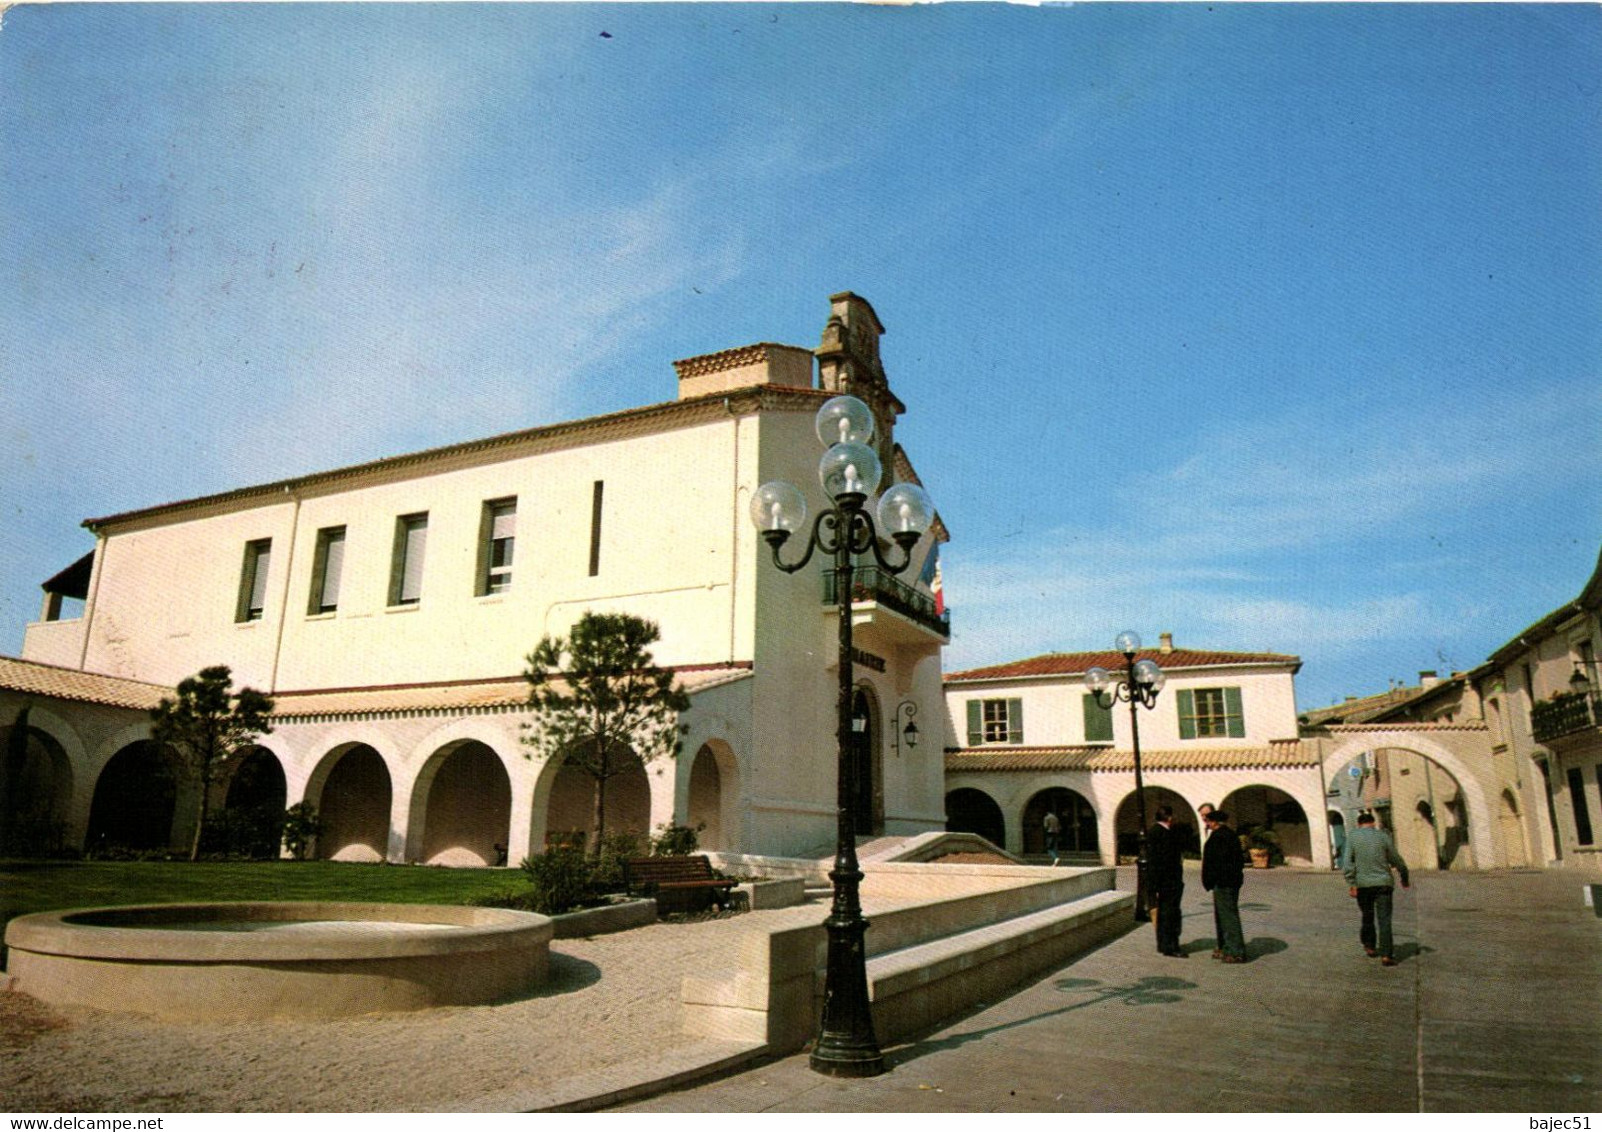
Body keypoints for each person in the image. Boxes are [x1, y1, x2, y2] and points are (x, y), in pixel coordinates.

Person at [1341, 811, 1410, 966]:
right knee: (1384, 919)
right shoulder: (1383, 836)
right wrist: (1404, 877)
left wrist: (1351, 883)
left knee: (1367, 916)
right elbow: (1396, 859)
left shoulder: (1353, 837)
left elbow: (1347, 863)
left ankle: (1370, 946)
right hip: (1383, 884)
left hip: (1363, 885)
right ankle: (1386, 955)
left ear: (1359, 824)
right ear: (1373, 823)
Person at [1201, 809, 1247, 963]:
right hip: (1229, 881)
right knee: (1223, 916)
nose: (1206, 824)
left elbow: (1216, 862)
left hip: (1224, 882)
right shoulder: (1229, 835)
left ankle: (1235, 951)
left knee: (1228, 916)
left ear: (1214, 822)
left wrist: (1212, 879)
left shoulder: (1220, 837)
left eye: (1208, 821)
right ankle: (1225, 947)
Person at [1146, 803, 1185, 957]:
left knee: (1164, 914)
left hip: (1163, 881)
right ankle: (1171, 946)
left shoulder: (1156, 831)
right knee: (1170, 914)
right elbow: (1163, 860)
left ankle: (1163, 944)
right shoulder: (1163, 833)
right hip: (1168, 881)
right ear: (1169, 817)